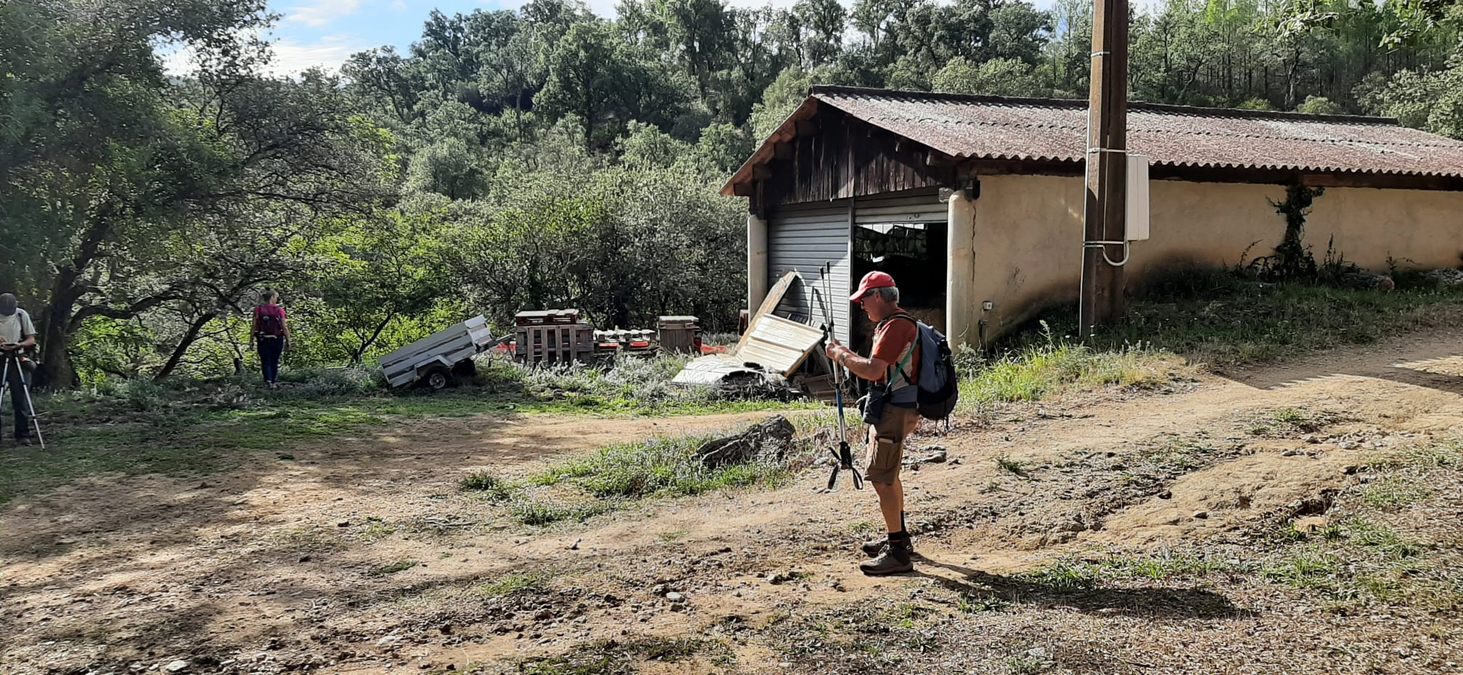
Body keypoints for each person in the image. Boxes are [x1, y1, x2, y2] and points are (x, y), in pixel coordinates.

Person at [824, 271, 922, 575]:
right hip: (899, 408)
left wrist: (840, 355)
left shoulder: (895, 327)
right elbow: (878, 369)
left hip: (894, 411)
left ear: (878, 296)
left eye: (864, 299)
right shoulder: (898, 322)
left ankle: (898, 553)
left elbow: (872, 370)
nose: (861, 306)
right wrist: (845, 352)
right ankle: (900, 539)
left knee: (881, 478)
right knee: (889, 475)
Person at [0, 293, 39, 446]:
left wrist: (20, 345)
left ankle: (23, 435)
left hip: (18, 359)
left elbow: (31, 339)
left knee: (21, 398)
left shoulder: (21, 315)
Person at [250, 290, 290, 388]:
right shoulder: (279, 310)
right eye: (276, 297)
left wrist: (251, 340)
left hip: (262, 338)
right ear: (272, 297)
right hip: (277, 338)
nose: (277, 299)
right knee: (274, 361)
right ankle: (273, 381)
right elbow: (284, 326)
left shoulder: (258, 309)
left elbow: (254, 325)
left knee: (265, 361)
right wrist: (288, 340)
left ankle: (267, 380)